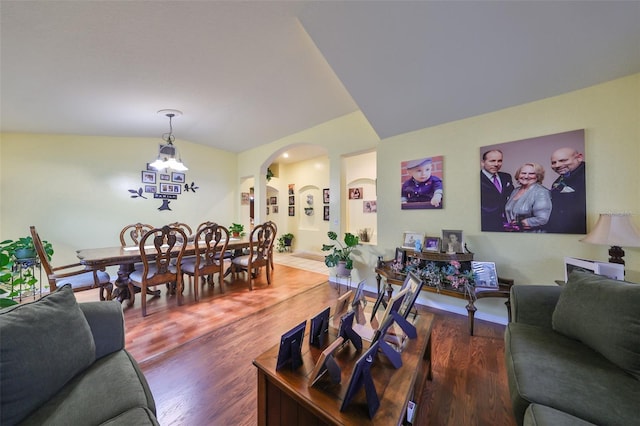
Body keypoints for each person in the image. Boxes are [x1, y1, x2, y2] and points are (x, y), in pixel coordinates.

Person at [546, 147, 586, 234]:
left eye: (563, 160)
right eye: (553, 163)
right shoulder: (558, 181)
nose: (557, 165)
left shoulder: (589, 175)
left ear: (579, 157)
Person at [504, 163, 552, 232]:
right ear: (518, 175)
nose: (526, 176)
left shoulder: (541, 192)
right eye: (523, 173)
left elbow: (542, 219)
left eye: (531, 174)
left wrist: (519, 224)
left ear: (538, 176)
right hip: (513, 235)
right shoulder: (515, 190)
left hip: (533, 237)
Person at [480, 150, 513, 231]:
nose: (496, 164)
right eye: (492, 161)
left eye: (499, 161)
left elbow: (511, 197)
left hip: (506, 224)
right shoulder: (476, 178)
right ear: (483, 162)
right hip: (486, 224)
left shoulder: (506, 177)